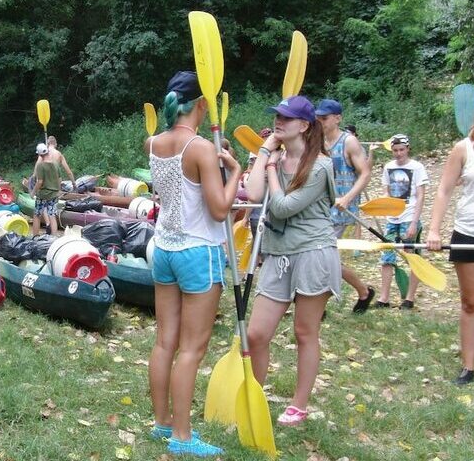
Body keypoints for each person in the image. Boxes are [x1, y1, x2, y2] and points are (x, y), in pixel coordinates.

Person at [145, 71, 240, 457]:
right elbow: (219, 211)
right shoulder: (200, 148)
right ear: (201, 104)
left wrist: (212, 166)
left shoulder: (151, 142)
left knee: (164, 341)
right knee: (191, 349)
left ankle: (161, 423)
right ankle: (182, 437)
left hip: (164, 249)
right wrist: (233, 171)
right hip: (199, 252)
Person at [245, 96, 340, 426]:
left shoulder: (321, 166)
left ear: (304, 126)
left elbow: (283, 207)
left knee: (304, 332)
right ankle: (253, 398)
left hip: (314, 252)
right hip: (278, 253)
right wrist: (264, 154)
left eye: (286, 118)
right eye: (277, 116)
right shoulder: (275, 155)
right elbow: (255, 195)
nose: (279, 122)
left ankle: (299, 404)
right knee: (256, 334)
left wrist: (272, 166)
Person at [426, 96, 474, 392]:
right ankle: (468, 366)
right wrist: (434, 230)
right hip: (470, 232)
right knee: (472, 303)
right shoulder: (463, 149)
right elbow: (444, 190)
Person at [315, 99, 375, 312]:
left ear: (338, 118)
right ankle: (364, 292)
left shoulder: (348, 142)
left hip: (340, 210)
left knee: (322, 257)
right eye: (318, 118)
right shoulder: (317, 141)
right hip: (319, 208)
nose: (320, 121)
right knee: (322, 258)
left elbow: (365, 172)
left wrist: (348, 198)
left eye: (325, 118)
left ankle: (318, 307)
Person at [375, 134, 429, 309]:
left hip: (409, 217)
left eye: (401, 150)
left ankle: (409, 298)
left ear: (408, 149)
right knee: (387, 257)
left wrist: (414, 222)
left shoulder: (417, 167)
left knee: (411, 256)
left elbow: (421, 196)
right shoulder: (388, 167)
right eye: (395, 150)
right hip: (392, 219)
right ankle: (384, 298)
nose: (398, 153)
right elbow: (386, 191)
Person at [30, 143, 61, 235]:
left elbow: (40, 182)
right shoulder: (55, 164)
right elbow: (60, 179)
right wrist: (58, 190)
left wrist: (33, 192)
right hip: (54, 195)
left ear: (39, 154)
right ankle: (54, 237)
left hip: (42, 195)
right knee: (52, 215)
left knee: (37, 215)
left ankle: (35, 236)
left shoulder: (40, 165)